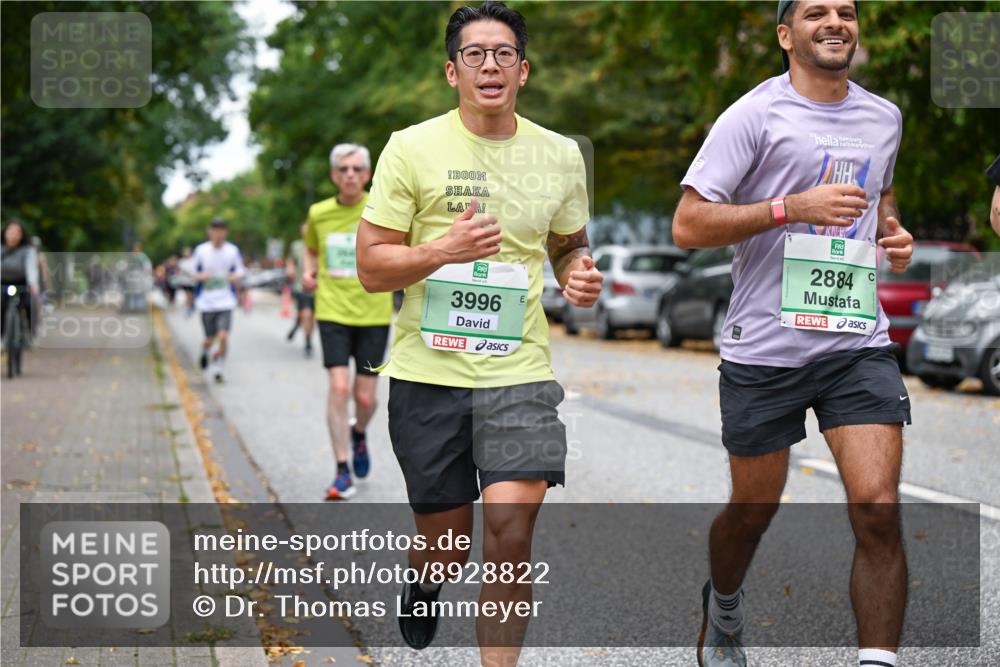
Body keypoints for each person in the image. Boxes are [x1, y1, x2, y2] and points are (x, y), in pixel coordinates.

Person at [355, 2, 603, 662]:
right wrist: (443, 250)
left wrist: (577, 271)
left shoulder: (558, 155)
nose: (488, 65)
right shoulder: (411, 148)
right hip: (426, 376)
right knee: (449, 543)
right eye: (474, 54)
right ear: (450, 70)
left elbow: (569, 242)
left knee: (510, 529)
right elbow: (372, 267)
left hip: (519, 371)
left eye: (502, 55)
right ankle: (426, 577)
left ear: (523, 71)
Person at [673, 2, 914, 666]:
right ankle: (723, 604)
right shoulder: (753, 116)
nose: (834, 21)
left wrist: (891, 230)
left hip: (855, 342)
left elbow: (881, 191)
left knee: (877, 507)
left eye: (845, 10)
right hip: (765, 348)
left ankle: (877, 658)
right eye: (815, 12)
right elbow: (689, 224)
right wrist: (790, 208)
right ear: (786, 35)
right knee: (752, 511)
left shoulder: (884, 116)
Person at [302, 143, 394, 500]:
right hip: (332, 311)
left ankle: (359, 434)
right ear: (333, 175)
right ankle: (342, 471)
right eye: (343, 169)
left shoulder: (383, 207)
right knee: (340, 389)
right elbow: (311, 248)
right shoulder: (318, 213)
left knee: (366, 398)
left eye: (357, 169)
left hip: (373, 313)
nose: (350, 175)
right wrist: (309, 273)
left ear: (368, 174)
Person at [191, 219, 245, 383]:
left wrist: (235, 276)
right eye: (215, 230)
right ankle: (205, 350)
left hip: (225, 301)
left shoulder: (232, 251)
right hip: (206, 302)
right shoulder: (201, 250)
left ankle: (218, 368)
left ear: (225, 232)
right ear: (210, 231)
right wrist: (202, 277)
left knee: (223, 337)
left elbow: (241, 269)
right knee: (209, 338)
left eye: (221, 230)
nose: (218, 233)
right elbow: (192, 272)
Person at [1, 219, 39, 340]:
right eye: (10, 231)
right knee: (1, 305)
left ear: (22, 235)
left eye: (17, 232)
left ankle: (31, 333)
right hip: (3, 282)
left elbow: (31, 268)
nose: (13, 235)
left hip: (22, 282)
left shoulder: (28, 250)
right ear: (5, 233)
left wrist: (33, 284)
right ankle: (1, 336)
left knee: (29, 304)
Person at [285, 223, 315, 357]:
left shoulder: (319, 244)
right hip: (301, 286)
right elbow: (290, 260)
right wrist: (289, 268)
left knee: (309, 316)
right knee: (306, 314)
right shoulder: (296, 246)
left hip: (318, 288)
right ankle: (308, 343)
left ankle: (297, 326)